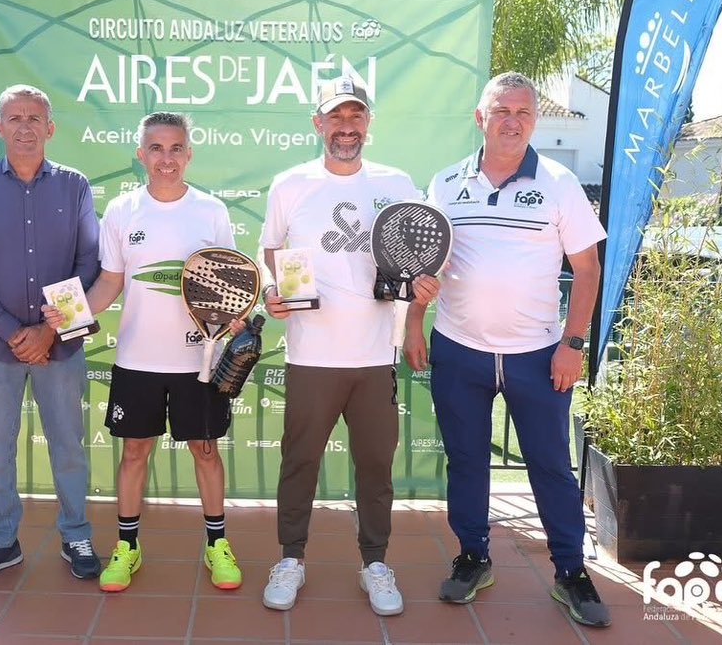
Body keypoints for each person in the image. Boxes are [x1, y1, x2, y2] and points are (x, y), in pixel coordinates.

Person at [403, 72, 611, 627]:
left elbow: (587, 270)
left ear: (535, 120)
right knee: (467, 462)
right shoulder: (446, 184)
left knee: (550, 467)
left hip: (540, 356)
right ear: (481, 118)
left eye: (523, 112)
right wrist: (413, 321)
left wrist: (573, 344)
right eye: (501, 111)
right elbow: (429, 261)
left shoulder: (561, 183)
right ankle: (473, 556)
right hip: (459, 351)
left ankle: (570, 571)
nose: (512, 121)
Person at [43, 112, 243, 593]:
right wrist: (71, 317)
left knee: (206, 450)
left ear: (189, 154)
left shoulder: (211, 211)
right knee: (135, 452)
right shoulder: (121, 211)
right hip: (137, 361)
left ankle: (218, 545)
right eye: (156, 148)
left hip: (200, 362)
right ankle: (127, 547)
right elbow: (111, 280)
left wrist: (234, 313)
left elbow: (234, 281)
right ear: (141, 154)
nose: (167, 158)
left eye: (176, 148)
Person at [258, 75, 417, 617]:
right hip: (311, 356)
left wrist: (424, 285)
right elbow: (269, 251)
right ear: (318, 124)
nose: (346, 127)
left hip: (376, 356)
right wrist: (273, 291)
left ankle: (375, 562)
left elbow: (420, 254)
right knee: (299, 461)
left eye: (356, 117)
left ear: (368, 124)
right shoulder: (290, 184)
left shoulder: (397, 183)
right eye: (336, 117)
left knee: (375, 465)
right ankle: (291, 559)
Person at [0, 84, 102, 585]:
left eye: (35, 117)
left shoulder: (75, 187)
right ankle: (0, 540)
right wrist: (17, 332)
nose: (25, 127)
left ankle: (76, 533)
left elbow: (89, 262)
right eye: (14, 118)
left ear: (50, 128)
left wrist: (48, 333)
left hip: (62, 345)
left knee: (69, 445)